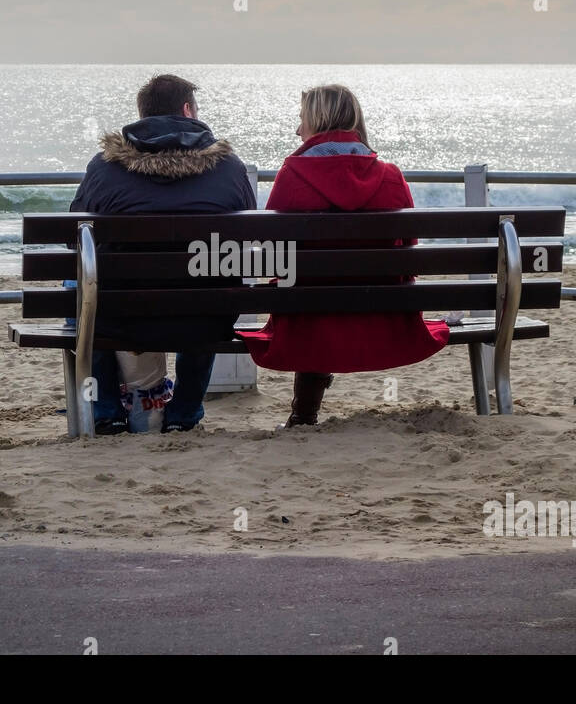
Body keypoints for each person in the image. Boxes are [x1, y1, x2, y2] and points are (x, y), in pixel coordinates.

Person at [238, 85, 450, 427]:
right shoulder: (391, 176)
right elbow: (409, 247)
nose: (297, 130)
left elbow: (272, 252)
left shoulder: (292, 175)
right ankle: (304, 410)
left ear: (318, 121)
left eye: (302, 120)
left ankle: (303, 415)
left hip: (307, 322)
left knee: (305, 294)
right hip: (385, 321)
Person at [70, 74, 256, 434]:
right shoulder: (229, 168)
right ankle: (183, 416)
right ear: (188, 111)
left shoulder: (105, 166)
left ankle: (106, 411)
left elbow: (74, 239)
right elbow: (245, 241)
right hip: (204, 318)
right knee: (213, 281)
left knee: (83, 283)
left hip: (121, 317)